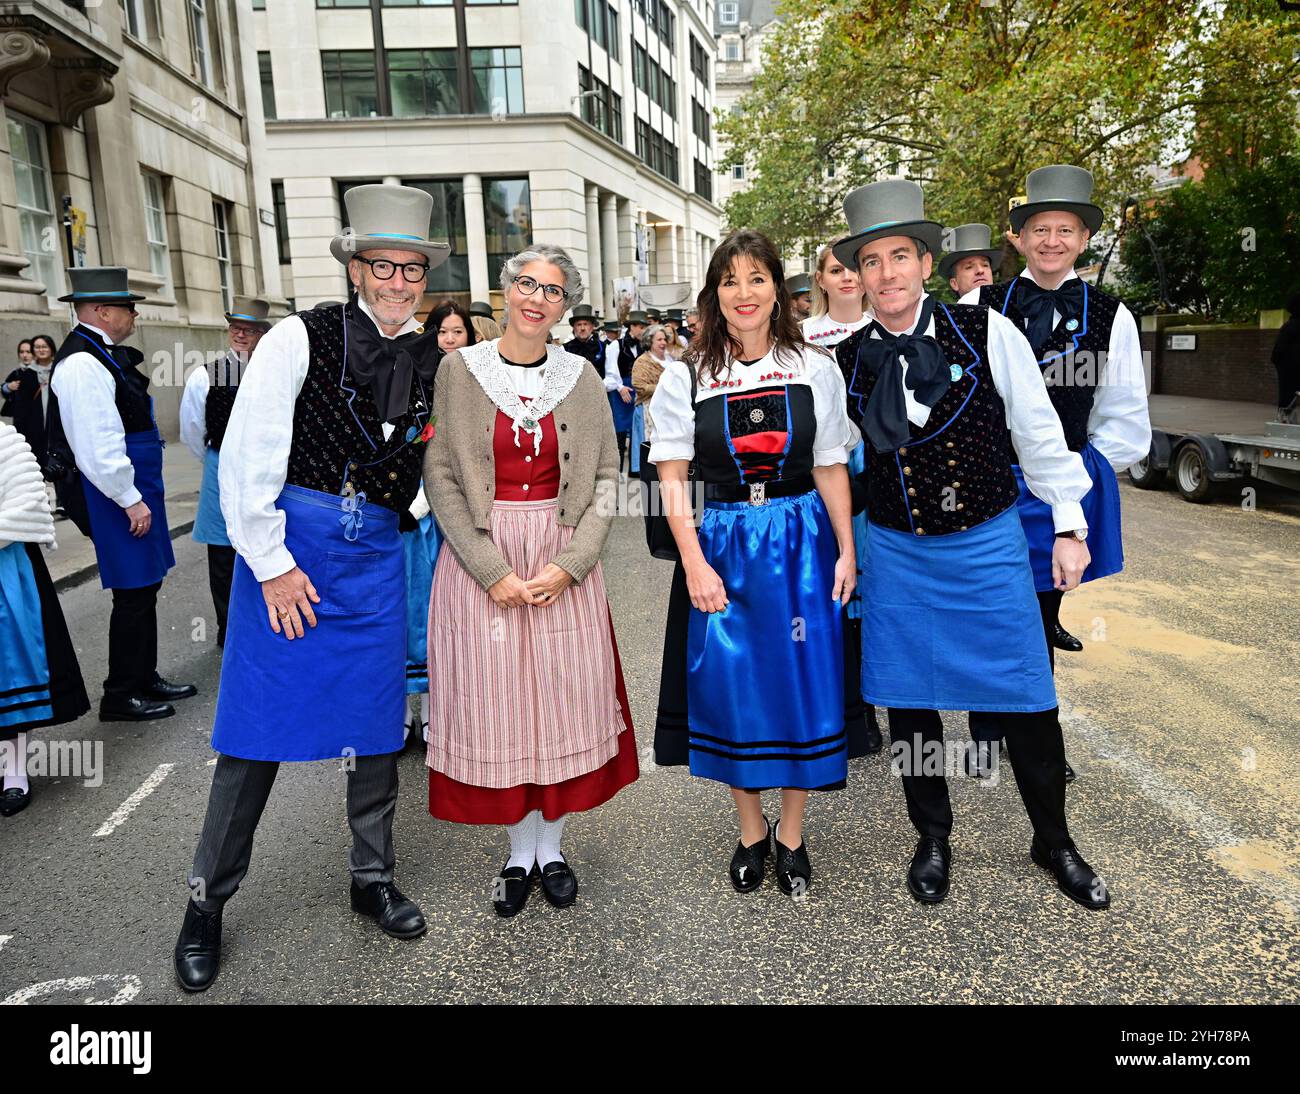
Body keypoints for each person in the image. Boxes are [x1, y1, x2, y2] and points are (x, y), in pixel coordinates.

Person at [173, 184, 450, 992]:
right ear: (357, 268)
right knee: (254, 736)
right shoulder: (300, 336)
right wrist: (272, 562)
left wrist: (417, 506)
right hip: (291, 556)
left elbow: (436, 461)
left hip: (372, 564)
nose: (398, 282)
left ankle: (371, 879)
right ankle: (205, 903)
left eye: (412, 269)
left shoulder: (435, 358)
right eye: (383, 265)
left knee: (373, 735)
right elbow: (249, 453)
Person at [834, 178, 1110, 910]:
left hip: (987, 546)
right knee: (910, 704)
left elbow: (1039, 431)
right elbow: (834, 465)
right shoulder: (845, 361)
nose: (887, 273)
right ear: (858, 277)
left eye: (900, 256)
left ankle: (1054, 840)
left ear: (926, 262)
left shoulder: (988, 330)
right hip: (897, 552)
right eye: (871, 261)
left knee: (1026, 696)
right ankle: (932, 837)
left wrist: (1070, 525)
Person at [423, 243, 638, 918]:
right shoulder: (459, 372)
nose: (535, 298)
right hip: (482, 554)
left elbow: (608, 477)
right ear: (506, 291)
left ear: (563, 305)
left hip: (560, 550)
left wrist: (571, 565)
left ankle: (553, 849)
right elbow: (442, 476)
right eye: (526, 283)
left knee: (560, 697)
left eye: (551, 290)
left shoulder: (580, 378)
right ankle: (519, 853)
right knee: (499, 703)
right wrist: (489, 570)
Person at [650, 229, 859, 898]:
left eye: (757, 278)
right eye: (730, 280)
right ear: (715, 294)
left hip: (801, 540)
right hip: (724, 541)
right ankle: (749, 830)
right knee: (735, 685)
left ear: (780, 289)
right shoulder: (687, 375)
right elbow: (674, 477)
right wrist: (694, 564)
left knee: (803, 682)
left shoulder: (816, 367)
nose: (744, 293)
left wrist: (847, 549)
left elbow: (830, 465)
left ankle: (792, 833)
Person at [962, 166, 1151, 781]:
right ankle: (986, 732)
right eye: (1038, 228)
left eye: (1064, 229)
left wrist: (1079, 471)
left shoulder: (1113, 315)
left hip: (1057, 486)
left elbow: (1124, 412)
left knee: (1040, 614)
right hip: (989, 482)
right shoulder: (976, 306)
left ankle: (1035, 740)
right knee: (988, 609)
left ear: (1084, 239)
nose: (1051, 240)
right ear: (1017, 238)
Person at [45, 268, 196, 723]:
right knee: (132, 589)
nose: (134, 314)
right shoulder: (82, 363)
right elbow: (96, 444)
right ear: (102, 311)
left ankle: (142, 675)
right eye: (128, 307)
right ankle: (120, 693)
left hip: (130, 486)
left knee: (146, 584)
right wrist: (128, 497)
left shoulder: (98, 355)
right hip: (111, 492)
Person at [800, 236, 883, 755]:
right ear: (822, 280)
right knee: (835, 583)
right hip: (825, 463)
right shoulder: (802, 336)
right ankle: (847, 706)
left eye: (854, 267)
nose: (847, 277)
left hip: (878, 459)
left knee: (877, 584)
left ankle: (878, 699)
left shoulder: (885, 327)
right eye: (835, 270)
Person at [0, 422, 90, 816]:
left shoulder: (6, 443)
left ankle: (14, 772)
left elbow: (27, 505)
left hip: (6, 568)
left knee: (12, 674)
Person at [179, 297, 275, 649]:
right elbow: (192, 431)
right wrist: (217, 463)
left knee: (266, 543)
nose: (241, 334)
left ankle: (266, 624)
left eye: (249, 329)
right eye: (236, 328)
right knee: (223, 554)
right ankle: (228, 629)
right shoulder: (205, 375)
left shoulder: (275, 372)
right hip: (221, 468)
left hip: (267, 469)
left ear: (263, 334)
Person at [402, 299, 472, 741]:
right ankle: (402, 710)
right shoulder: (410, 377)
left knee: (446, 612)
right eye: (442, 332)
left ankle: (437, 711)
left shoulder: (479, 379)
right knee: (409, 608)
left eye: (457, 332)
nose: (448, 339)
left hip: (459, 511)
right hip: (412, 511)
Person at [629, 323, 675, 478]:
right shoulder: (642, 362)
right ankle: (650, 477)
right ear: (650, 342)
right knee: (650, 446)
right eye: (659, 340)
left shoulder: (670, 359)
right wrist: (665, 388)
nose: (663, 343)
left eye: (664, 339)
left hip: (670, 409)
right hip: (649, 409)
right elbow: (639, 385)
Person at [603, 310, 646, 475]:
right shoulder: (616, 345)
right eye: (640, 327)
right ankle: (617, 471)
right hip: (621, 390)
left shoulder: (645, 346)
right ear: (632, 327)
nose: (642, 330)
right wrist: (620, 388)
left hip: (639, 390)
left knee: (638, 430)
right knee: (620, 431)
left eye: (644, 327)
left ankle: (635, 469)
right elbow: (611, 371)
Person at [2, 339, 47, 465]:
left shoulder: (41, 372)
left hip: (39, 421)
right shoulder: (16, 372)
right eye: (21, 352)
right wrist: (8, 387)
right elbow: (5, 391)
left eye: (28, 351)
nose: (25, 355)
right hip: (20, 421)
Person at [938, 223, 1001, 299]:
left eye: (985, 265)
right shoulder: (945, 311)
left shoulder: (1011, 308)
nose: (980, 270)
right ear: (954, 283)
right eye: (969, 267)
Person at [1272, 291, 1300, 417]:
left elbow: (1278, 350)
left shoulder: (1289, 327)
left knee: (1287, 398)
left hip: (1288, 369)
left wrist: (1279, 364)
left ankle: (1285, 420)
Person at [563, 303, 604, 376]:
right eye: (579, 324)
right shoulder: (565, 349)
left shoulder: (603, 347)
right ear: (574, 327)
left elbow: (610, 376)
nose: (582, 328)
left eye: (585, 324)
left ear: (592, 327)